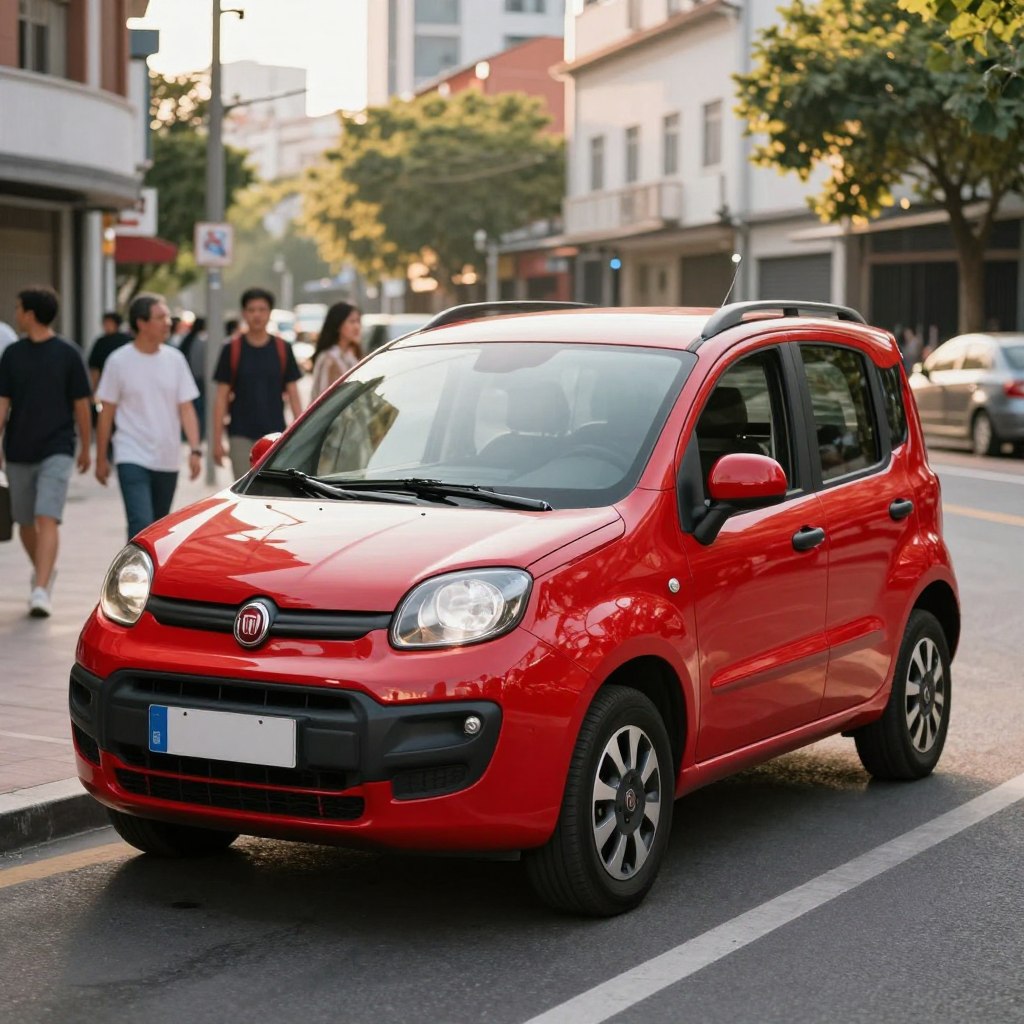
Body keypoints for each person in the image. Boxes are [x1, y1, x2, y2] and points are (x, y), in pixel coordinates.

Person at [0, 286, 91, 617]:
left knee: (46, 515)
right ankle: (45, 570)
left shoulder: (68, 354)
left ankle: (40, 589)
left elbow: (81, 404)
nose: (15, 314)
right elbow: (2, 404)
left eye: (18, 308)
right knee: (24, 520)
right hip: (18, 450)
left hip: (58, 448)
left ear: (30, 314)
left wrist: (86, 446)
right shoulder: (12, 355)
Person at [95, 293, 202, 540]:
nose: (167, 322)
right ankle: (132, 578)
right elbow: (106, 412)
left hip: (167, 457)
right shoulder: (118, 361)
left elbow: (186, 408)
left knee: (157, 529)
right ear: (141, 323)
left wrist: (195, 450)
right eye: (160, 317)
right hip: (130, 454)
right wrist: (101, 457)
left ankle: (149, 577)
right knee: (140, 523)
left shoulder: (175, 360)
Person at [212, 287, 302, 480]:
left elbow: (294, 394)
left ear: (270, 313)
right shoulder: (232, 349)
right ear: (244, 313)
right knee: (243, 491)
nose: (257, 315)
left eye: (262, 310)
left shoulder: (282, 348)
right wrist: (217, 441)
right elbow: (221, 397)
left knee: (272, 493)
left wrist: (300, 435)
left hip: (276, 435)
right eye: (251, 310)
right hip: (240, 435)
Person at [310, 302, 363, 400]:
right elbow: (323, 399)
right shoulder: (328, 359)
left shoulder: (351, 356)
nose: (357, 327)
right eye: (352, 321)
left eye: (358, 321)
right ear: (338, 325)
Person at [87, 311, 132, 394]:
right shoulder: (100, 342)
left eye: (109, 323)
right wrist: (93, 390)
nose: (106, 326)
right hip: (105, 384)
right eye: (105, 323)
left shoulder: (127, 341)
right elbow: (94, 369)